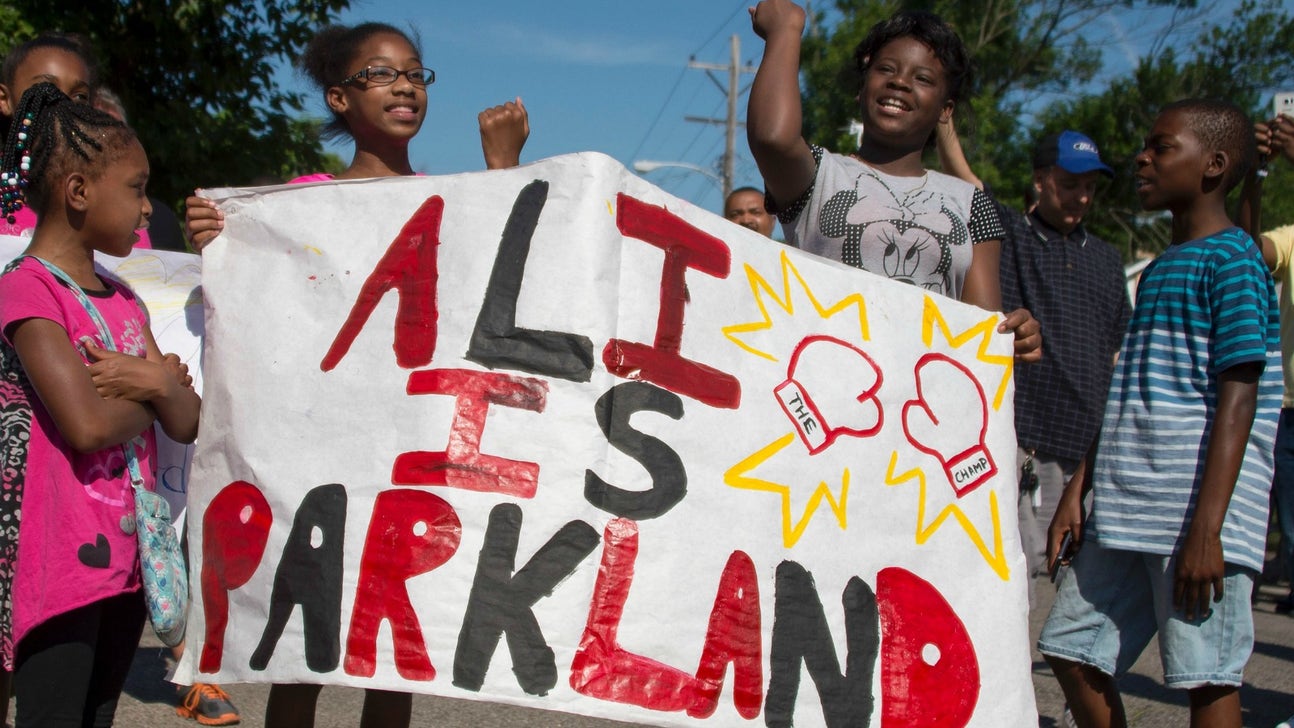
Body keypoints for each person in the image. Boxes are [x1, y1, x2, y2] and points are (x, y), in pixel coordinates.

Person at [184, 22, 527, 727]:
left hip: (404, 449)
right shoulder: (299, 203)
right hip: (316, 454)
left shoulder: (451, 198)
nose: (405, 84)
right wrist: (220, 239)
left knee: (389, 644)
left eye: (415, 73)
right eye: (381, 73)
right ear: (339, 98)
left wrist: (504, 171)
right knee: (303, 639)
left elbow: (502, 279)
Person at [1039, 98, 1280, 728]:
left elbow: (1240, 396)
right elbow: (1131, 391)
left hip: (1194, 515)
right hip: (1128, 505)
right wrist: (1079, 491)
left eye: (1161, 147)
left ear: (1215, 165)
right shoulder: (1157, 270)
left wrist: (1209, 528)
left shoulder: (1234, 261)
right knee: (1069, 649)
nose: (1141, 157)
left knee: (1205, 675)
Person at [0, 82, 201, 727]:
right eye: (137, 188)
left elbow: (189, 419)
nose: (148, 210)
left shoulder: (122, 298)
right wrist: (157, 386)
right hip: (56, 561)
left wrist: (155, 386)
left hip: (128, 563)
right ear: (79, 192)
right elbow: (85, 425)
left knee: (97, 715)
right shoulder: (27, 292)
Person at [745, 1, 1040, 361]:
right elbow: (772, 138)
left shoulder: (971, 204)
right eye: (886, 69)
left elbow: (980, 338)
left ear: (945, 109)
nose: (899, 82)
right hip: (820, 391)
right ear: (861, 87)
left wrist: (1014, 336)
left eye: (923, 79)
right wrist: (785, 30)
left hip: (922, 407)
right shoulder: (820, 176)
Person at [939, 122, 1132, 602]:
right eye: (1070, 185)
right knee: (1016, 572)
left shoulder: (1107, 260)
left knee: (1081, 579)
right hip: (1026, 437)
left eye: (1089, 187)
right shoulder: (1011, 236)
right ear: (1041, 181)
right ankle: (1014, 672)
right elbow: (970, 189)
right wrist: (944, 124)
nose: (1081, 198)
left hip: (1087, 443)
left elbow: (1119, 348)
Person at [0, 33, 158, 251]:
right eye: (45, 91)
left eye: (79, 97)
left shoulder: (112, 194)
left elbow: (140, 275)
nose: (63, 105)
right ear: (4, 100)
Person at [91, 87, 188, 252]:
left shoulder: (161, 222)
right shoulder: (42, 224)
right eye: (97, 139)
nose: (147, 209)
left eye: (122, 139)